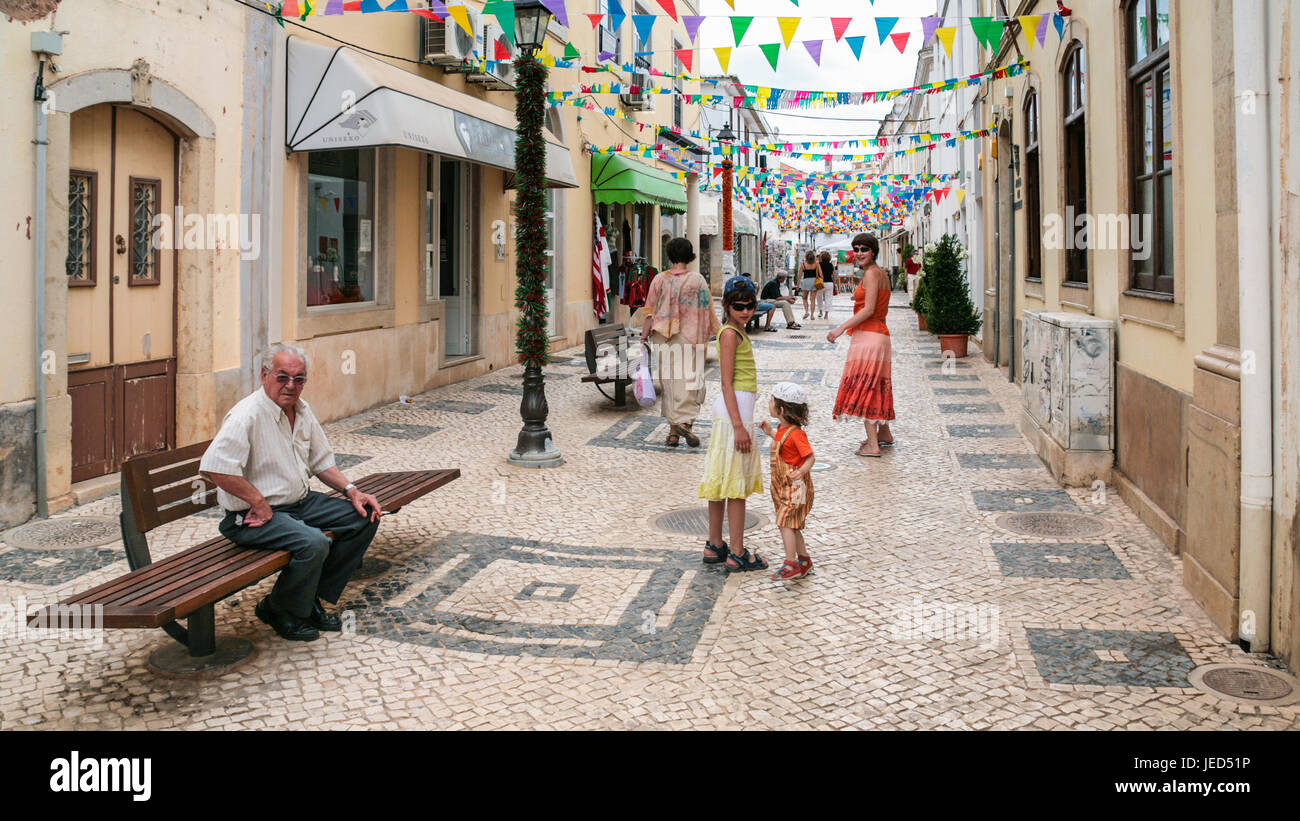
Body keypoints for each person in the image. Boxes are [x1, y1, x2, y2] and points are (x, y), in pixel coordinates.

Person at [200, 343, 383, 641]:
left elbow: (321, 462)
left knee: (364, 516)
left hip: (299, 503)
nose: (290, 385)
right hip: (252, 518)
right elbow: (215, 467)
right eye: (282, 377)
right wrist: (257, 501)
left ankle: (307, 599)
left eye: (299, 379)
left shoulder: (301, 409)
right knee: (313, 543)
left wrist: (352, 491)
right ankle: (279, 609)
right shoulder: (247, 415)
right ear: (264, 375)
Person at [698, 276, 767, 572]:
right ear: (726, 306)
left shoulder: (736, 331)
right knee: (735, 487)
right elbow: (726, 383)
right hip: (733, 416)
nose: (746, 311)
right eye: (739, 306)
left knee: (723, 481)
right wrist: (739, 426)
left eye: (750, 306)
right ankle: (737, 551)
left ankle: (715, 544)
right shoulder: (729, 334)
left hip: (736, 414)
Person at [641, 237, 718, 447]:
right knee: (690, 381)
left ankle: (673, 432)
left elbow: (649, 312)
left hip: (663, 337)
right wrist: (715, 332)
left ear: (670, 255)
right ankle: (687, 424)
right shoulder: (698, 280)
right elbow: (707, 309)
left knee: (670, 382)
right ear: (690, 255)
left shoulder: (659, 279)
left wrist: (642, 337)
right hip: (690, 337)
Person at [827, 233, 896, 456]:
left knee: (866, 387)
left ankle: (873, 445)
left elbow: (868, 309)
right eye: (855, 249)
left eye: (864, 249)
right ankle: (884, 433)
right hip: (880, 335)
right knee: (878, 384)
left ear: (873, 251)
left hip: (869, 337)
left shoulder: (872, 274)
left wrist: (839, 329)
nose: (858, 253)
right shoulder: (882, 273)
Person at [759, 382, 815, 581]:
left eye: (771, 400)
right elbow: (784, 444)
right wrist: (770, 433)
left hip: (796, 488)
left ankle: (790, 562)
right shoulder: (783, 429)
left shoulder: (797, 434)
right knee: (791, 524)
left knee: (785, 522)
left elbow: (810, 457)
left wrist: (802, 471)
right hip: (784, 488)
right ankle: (804, 560)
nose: (769, 403)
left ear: (781, 409)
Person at [799, 251, 819, 320]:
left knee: (804, 298)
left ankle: (806, 312)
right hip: (814, 282)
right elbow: (821, 274)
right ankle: (812, 315)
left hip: (806, 282)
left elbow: (799, 276)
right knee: (812, 299)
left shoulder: (803, 264)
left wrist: (797, 285)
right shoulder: (816, 263)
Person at [817, 251, 835, 319]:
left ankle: (820, 311)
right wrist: (834, 282)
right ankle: (826, 314)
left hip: (820, 282)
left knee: (819, 298)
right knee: (828, 298)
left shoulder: (819, 264)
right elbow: (834, 275)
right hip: (829, 283)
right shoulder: (831, 265)